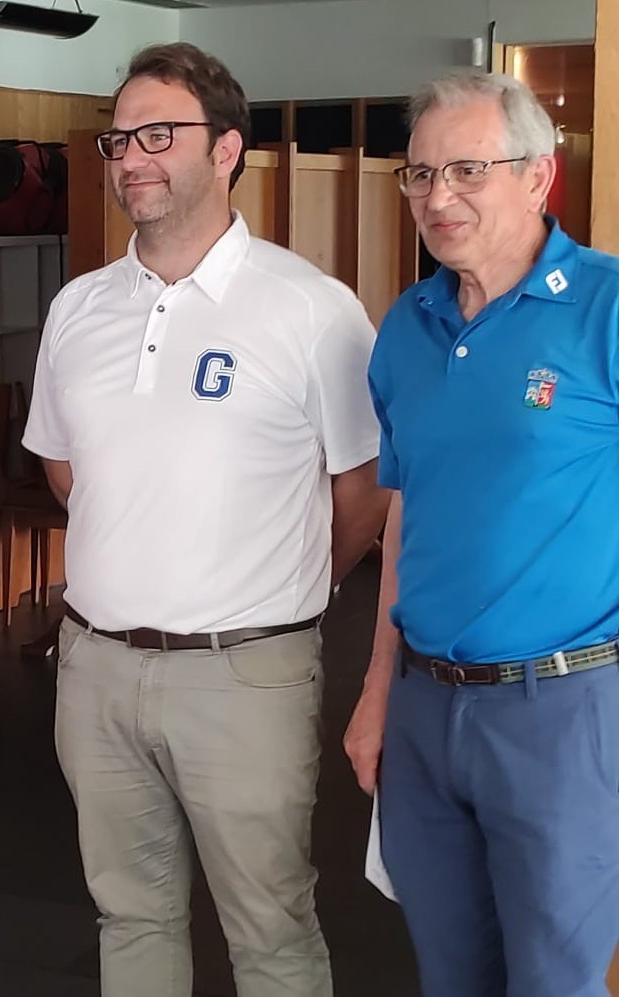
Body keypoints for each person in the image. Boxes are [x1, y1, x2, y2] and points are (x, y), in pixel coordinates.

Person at [23, 42, 388, 997]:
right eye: (119, 138)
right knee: (128, 914)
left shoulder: (311, 309)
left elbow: (364, 494)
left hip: (245, 670)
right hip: (95, 666)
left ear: (226, 148)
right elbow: (69, 471)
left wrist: (282, 579)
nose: (131, 158)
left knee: (269, 924)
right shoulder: (77, 308)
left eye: (159, 134)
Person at [343, 71, 619, 997]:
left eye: (466, 169)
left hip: (563, 708)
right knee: (450, 973)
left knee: (553, 980)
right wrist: (378, 691)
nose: (437, 196)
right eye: (418, 174)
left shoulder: (605, 308)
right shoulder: (405, 327)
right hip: (425, 708)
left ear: (538, 177)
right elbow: (406, 516)